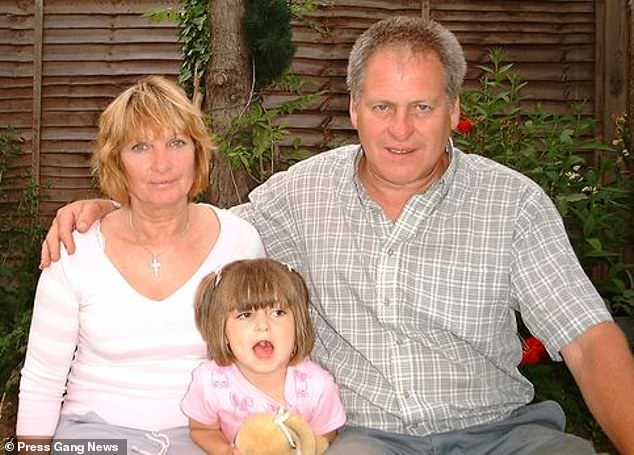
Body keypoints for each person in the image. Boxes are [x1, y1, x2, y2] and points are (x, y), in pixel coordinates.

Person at [40, 17, 634, 455]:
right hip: (364, 437)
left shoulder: (513, 203)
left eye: (422, 107)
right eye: (382, 107)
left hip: (501, 432)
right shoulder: (303, 194)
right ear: (354, 109)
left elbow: (587, 339)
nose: (400, 131)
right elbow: (199, 232)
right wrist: (116, 208)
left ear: (454, 110)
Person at [17, 76, 265, 453]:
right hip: (95, 435)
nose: (162, 164)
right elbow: (42, 381)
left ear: (198, 152)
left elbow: (262, 358)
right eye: (140, 146)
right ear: (116, 161)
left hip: (207, 436)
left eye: (177, 143)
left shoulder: (238, 242)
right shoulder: (75, 248)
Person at [181, 258, 346, 454]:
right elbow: (202, 430)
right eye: (245, 315)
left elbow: (325, 437)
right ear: (222, 331)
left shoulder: (317, 385)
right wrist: (224, 450)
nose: (263, 325)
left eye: (278, 312)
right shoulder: (211, 381)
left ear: (298, 324)